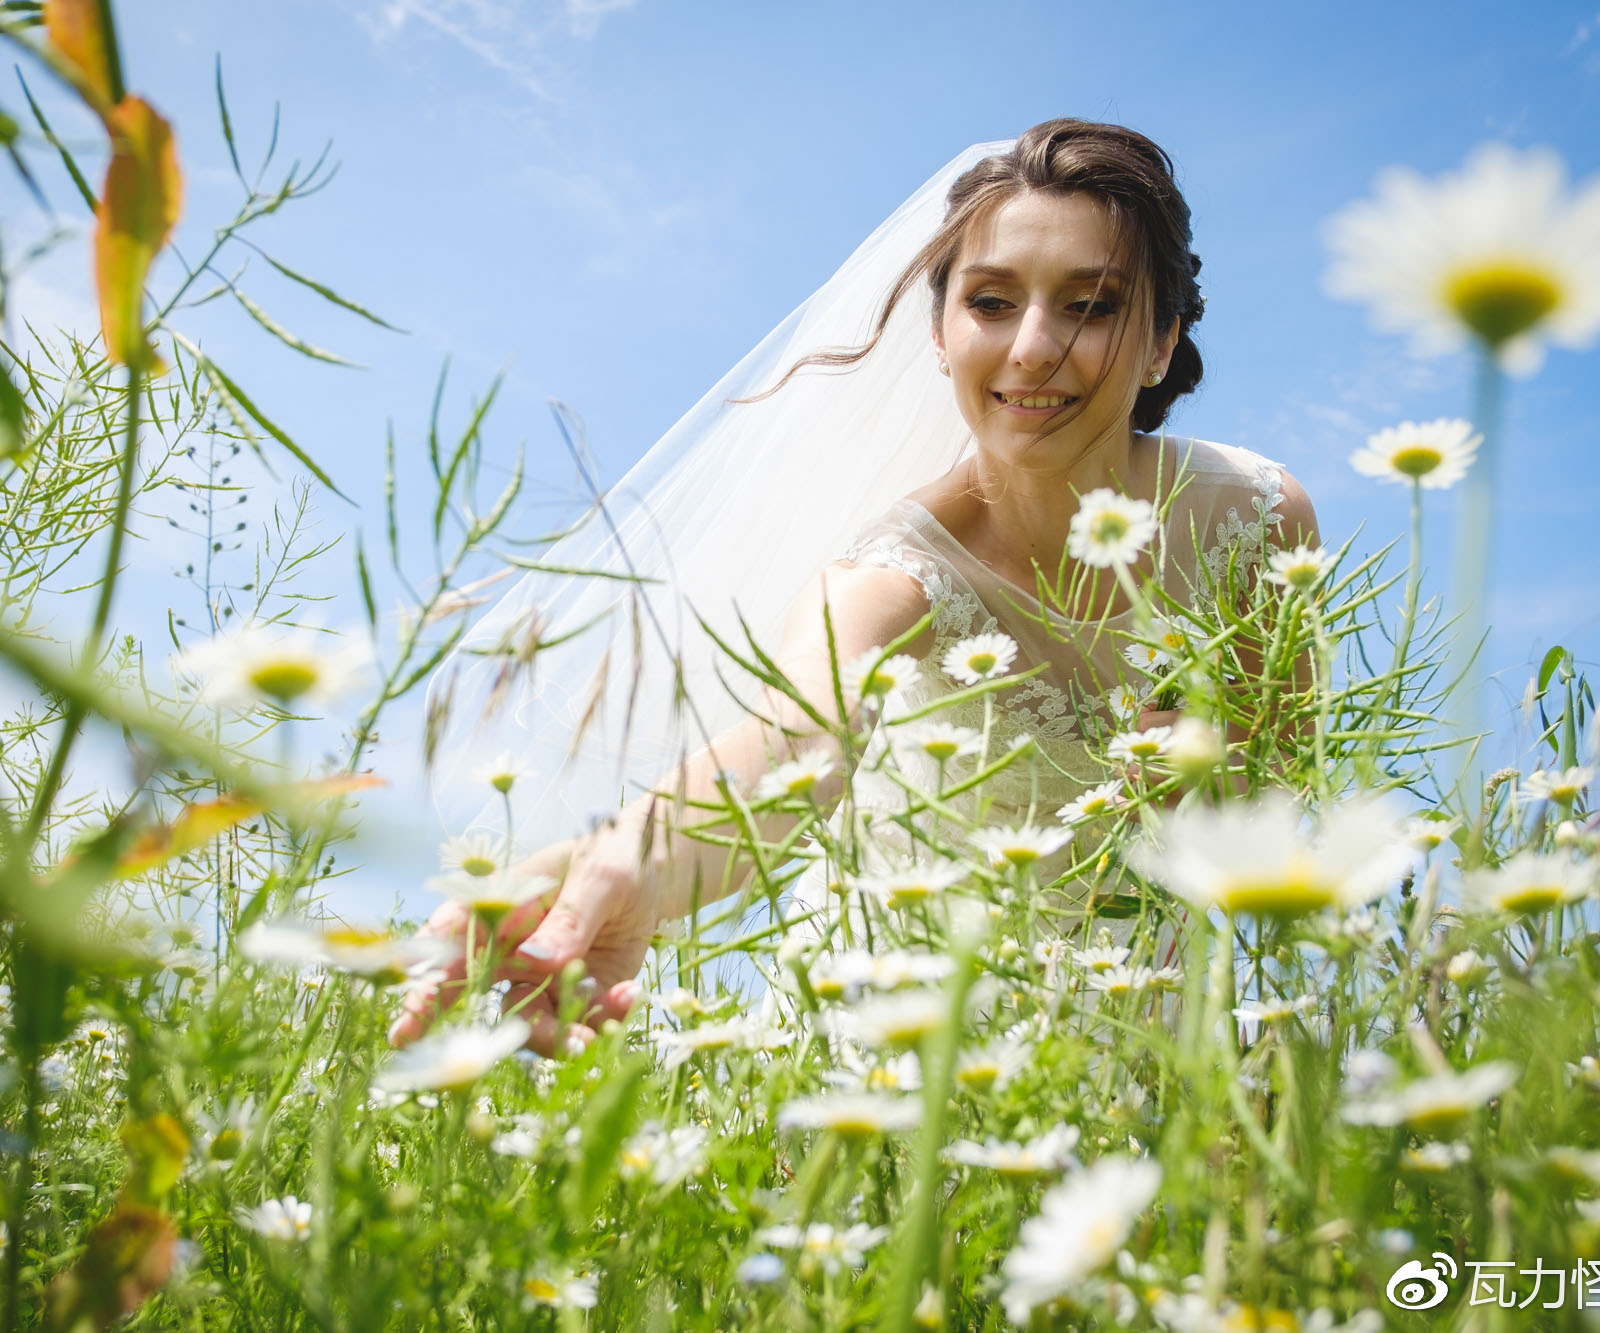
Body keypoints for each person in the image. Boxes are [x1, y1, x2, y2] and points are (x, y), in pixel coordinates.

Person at [390, 118, 1319, 1052]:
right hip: (903, 1037)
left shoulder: (1258, 522)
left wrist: (1230, 767)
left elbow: (1288, 767)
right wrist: (616, 864)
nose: (1034, 347)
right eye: (991, 302)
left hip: (1162, 1021)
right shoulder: (891, 575)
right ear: (942, 337)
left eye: (1092, 305)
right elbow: (792, 740)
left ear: (1162, 342)